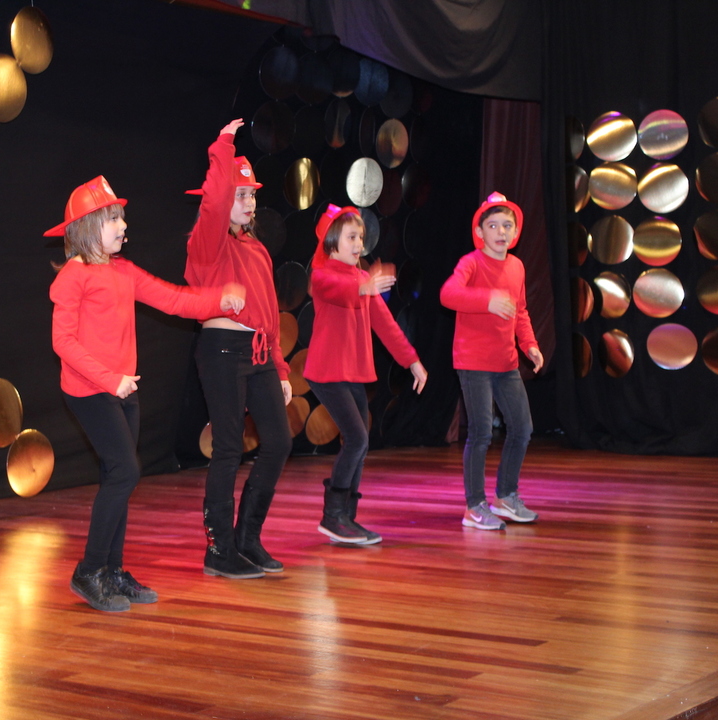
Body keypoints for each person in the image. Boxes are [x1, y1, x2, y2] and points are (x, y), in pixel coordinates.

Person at [46, 176, 245, 611]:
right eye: (113, 219)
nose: (123, 225)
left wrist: (219, 301)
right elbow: (63, 342)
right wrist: (109, 379)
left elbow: (174, 300)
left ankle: (111, 571)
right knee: (125, 473)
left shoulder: (123, 271)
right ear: (87, 228)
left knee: (117, 476)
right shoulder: (75, 276)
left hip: (122, 388)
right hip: (90, 390)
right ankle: (89, 571)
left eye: (122, 217)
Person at [185, 119, 292, 579]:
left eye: (251, 195)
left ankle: (247, 538)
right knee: (228, 448)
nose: (249, 202)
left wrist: (281, 367)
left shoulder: (257, 249)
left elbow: (269, 314)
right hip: (223, 350)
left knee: (280, 442)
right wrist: (223, 145)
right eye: (240, 194)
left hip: (260, 352)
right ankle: (219, 548)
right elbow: (213, 204)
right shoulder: (206, 243)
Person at [304, 205, 428, 544]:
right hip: (327, 372)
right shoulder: (322, 275)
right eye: (351, 237)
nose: (359, 243)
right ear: (332, 243)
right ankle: (333, 517)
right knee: (357, 439)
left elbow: (386, 326)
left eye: (360, 237)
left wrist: (412, 361)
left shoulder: (362, 280)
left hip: (351, 373)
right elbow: (339, 289)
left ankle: (346, 518)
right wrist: (365, 287)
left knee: (360, 442)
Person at [440, 192, 543, 530]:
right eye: (493, 226)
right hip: (473, 362)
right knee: (481, 433)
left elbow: (520, 311)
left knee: (522, 428)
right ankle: (474, 506)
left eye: (507, 226)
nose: (501, 232)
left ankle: (506, 497)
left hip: (506, 362)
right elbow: (448, 294)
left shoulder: (517, 266)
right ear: (480, 232)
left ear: (516, 232)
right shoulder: (471, 263)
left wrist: (530, 345)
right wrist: (487, 301)